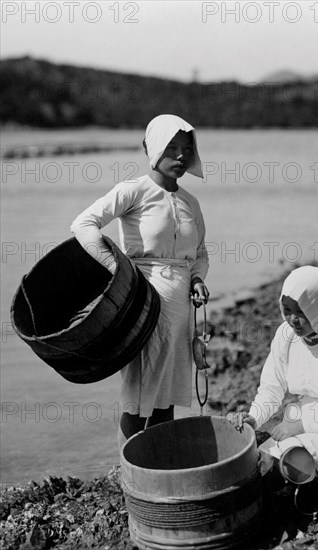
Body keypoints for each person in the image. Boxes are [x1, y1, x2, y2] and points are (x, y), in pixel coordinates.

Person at [70, 114, 210, 448]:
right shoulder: (134, 190)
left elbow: (200, 252)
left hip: (180, 313)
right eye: (171, 148)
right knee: (139, 397)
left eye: (186, 149)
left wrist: (197, 279)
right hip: (143, 305)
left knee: (166, 398)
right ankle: (130, 474)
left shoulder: (191, 203)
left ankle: (158, 467)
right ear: (151, 148)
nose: (180, 156)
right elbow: (83, 224)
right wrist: (115, 267)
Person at [227, 266, 318, 482]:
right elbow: (271, 389)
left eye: (301, 312)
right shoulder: (285, 336)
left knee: (292, 456)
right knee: (258, 458)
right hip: (300, 423)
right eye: (287, 310)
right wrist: (254, 418)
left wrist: (303, 425)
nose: (292, 319)